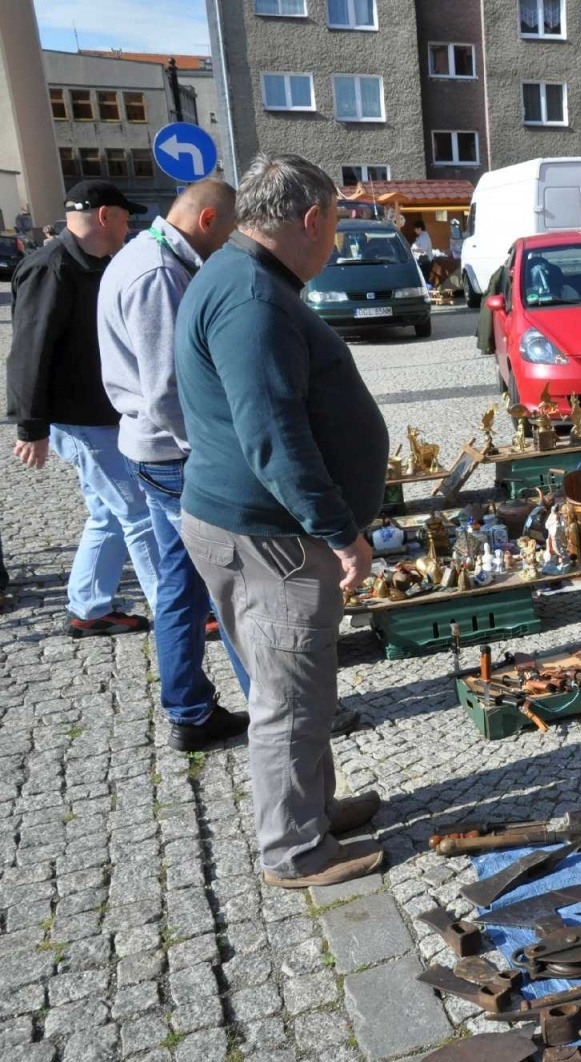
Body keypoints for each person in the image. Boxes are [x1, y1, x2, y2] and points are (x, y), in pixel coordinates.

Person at [175, 153, 388, 888]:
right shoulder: (252, 300)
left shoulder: (242, 276)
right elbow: (273, 437)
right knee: (289, 700)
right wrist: (341, 532)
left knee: (302, 686)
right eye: (334, 224)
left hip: (253, 528)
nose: (334, 240)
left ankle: (314, 810)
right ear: (310, 220)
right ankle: (294, 851)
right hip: (270, 539)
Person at [98, 179, 253, 751]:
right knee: (231, 584)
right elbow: (167, 391)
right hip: (175, 457)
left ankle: (190, 712)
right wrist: (215, 454)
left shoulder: (145, 256)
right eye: (230, 230)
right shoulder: (158, 272)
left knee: (181, 587)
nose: (230, 242)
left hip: (155, 453)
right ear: (208, 219)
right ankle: (271, 709)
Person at [7, 180, 160, 636]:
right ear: (104, 215)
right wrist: (29, 425)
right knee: (137, 511)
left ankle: (89, 609)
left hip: (102, 414)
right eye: (125, 216)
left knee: (109, 513)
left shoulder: (95, 264)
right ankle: (179, 611)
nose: (129, 225)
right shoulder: (51, 267)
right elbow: (28, 351)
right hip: (79, 420)